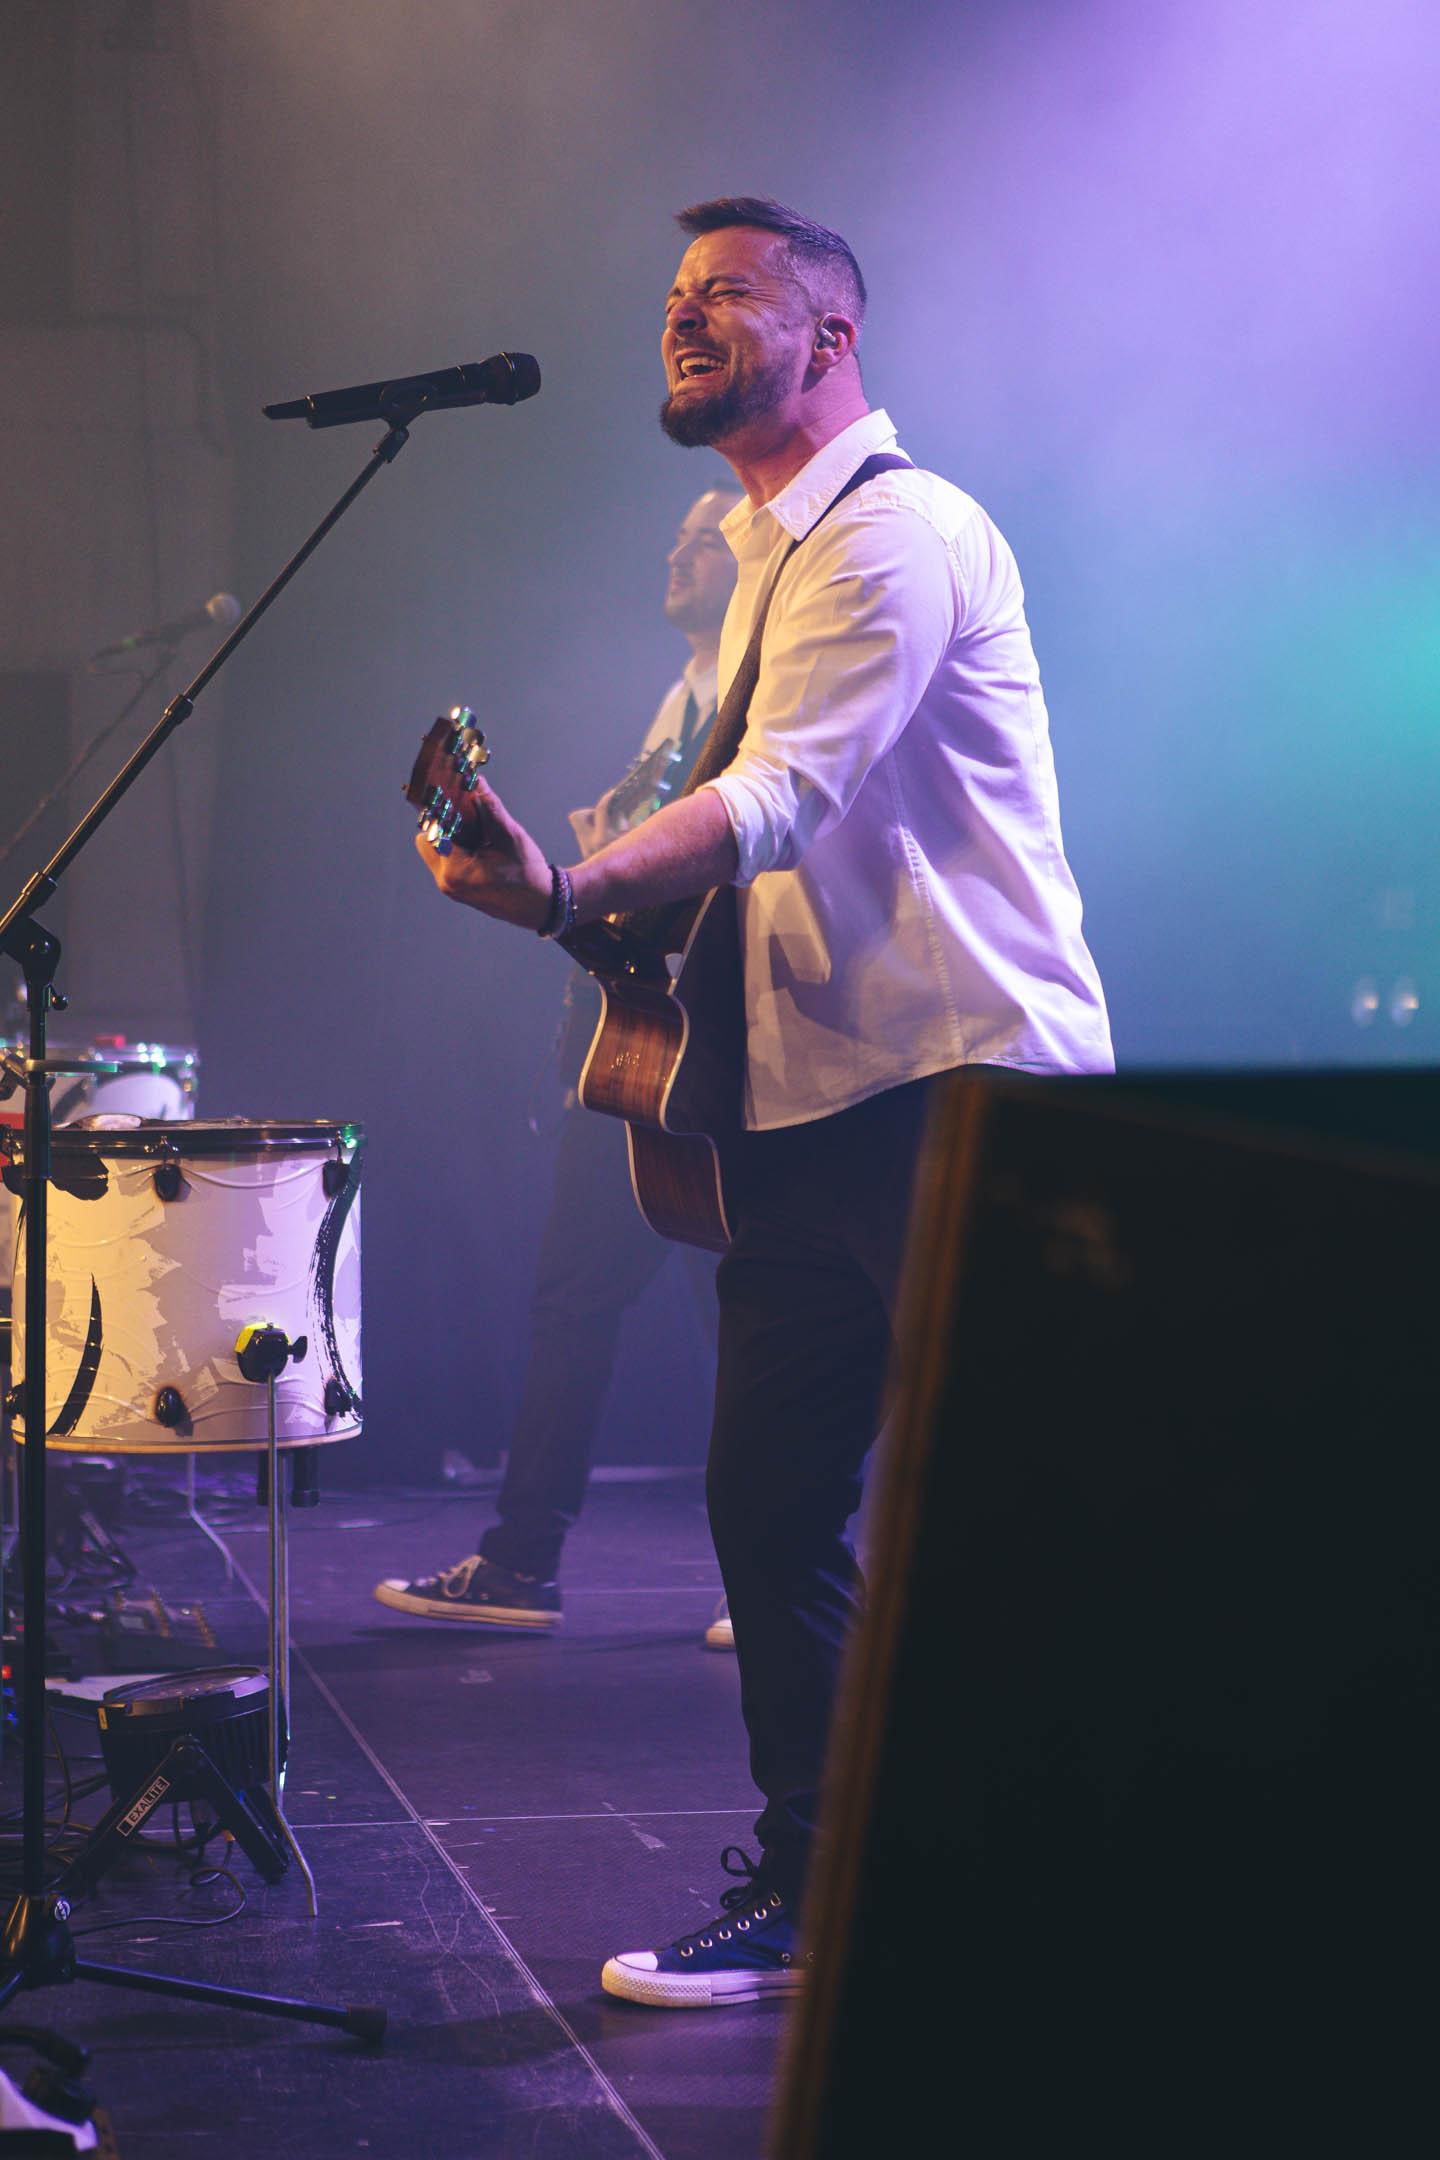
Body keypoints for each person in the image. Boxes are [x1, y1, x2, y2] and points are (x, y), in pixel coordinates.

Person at [406, 196, 1114, 2009]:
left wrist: (569, 892)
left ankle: (1095, 1881)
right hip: (808, 1110)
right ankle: (825, 1889)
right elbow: (738, 863)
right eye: (674, 295)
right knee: (776, 1507)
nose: (685, 316)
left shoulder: (898, 531)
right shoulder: (758, 562)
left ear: (832, 337)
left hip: (964, 1090)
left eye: (728, 293)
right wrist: (581, 909)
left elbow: (785, 799)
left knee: (1023, 1511)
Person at [375, 486, 742, 1644]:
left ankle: (777, 1577)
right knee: (576, 1301)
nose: (678, 553)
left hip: (717, 1051)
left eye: (706, 539)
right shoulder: (678, 696)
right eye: (676, 535)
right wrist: (591, 855)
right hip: (636, 1048)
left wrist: (600, 872)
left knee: (747, 1314)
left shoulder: (758, 690)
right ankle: (520, 1563)